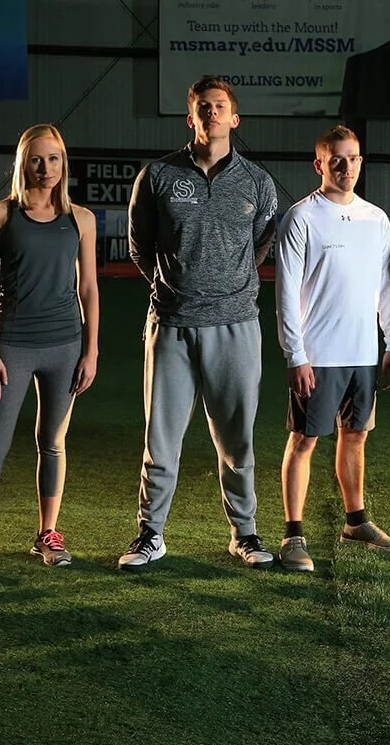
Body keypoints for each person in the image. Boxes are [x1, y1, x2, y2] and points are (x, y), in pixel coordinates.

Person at [119, 75, 278, 571]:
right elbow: (139, 247)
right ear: (190, 117)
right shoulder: (159, 176)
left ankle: (245, 534)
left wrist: (225, 287)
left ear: (235, 117)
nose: (212, 113)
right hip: (171, 324)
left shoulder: (257, 182)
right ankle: (150, 534)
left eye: (221, 106)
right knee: (160, 438)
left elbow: (260, 247)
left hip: (235, 325)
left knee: (238, 440)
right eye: (203, 106)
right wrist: (175, 289)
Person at [0, 125, 100, 590]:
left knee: (52, 441)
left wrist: (91, 349)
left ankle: (47, 533)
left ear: (63, 164)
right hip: (12, 343)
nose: (46, 168)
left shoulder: (81, 219)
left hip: (65, 344)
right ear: (22, 162)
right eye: (37, 159)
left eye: (54, 159)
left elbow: (89, 287)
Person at [274, 126, 390, 572]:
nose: (345, 166)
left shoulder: (377, 219)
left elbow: (387, 286)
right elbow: (286, 294)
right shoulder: (301, 218)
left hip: (364, 354)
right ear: (320, 164)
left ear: (361, 162)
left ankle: (357, 521)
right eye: (336, 159)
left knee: (356, 436)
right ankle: (293, 536)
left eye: (352, 158)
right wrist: (296, 355)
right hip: (318, 355)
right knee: (305, 439)